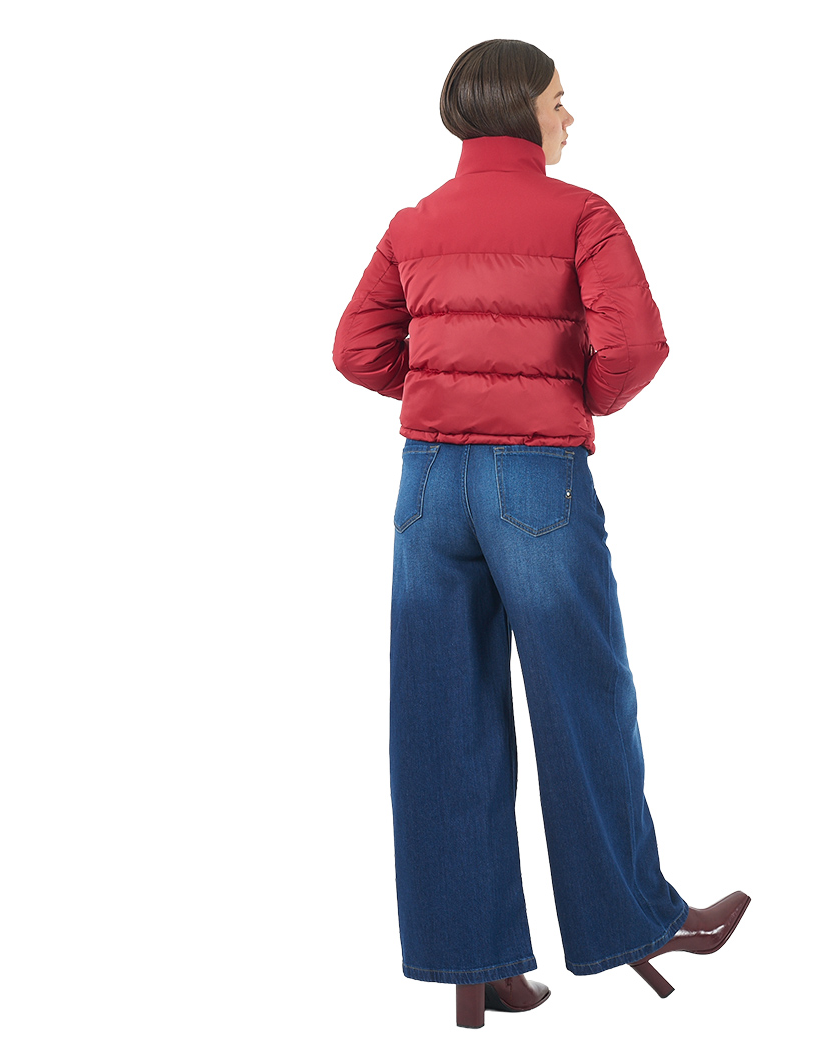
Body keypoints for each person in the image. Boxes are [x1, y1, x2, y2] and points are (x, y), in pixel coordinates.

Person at [333, 39, 750, 1029]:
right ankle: (634, 923)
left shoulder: (413, 223)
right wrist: (568, 396)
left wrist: (446, 390)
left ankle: (472, 963)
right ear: (519, 108)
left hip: (427, 483)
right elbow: (636, 346)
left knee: (439, 721)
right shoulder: (581, 215)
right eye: (560, 100)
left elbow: (356, 351)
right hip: (537, 478)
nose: (570, 117)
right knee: (583, 698)